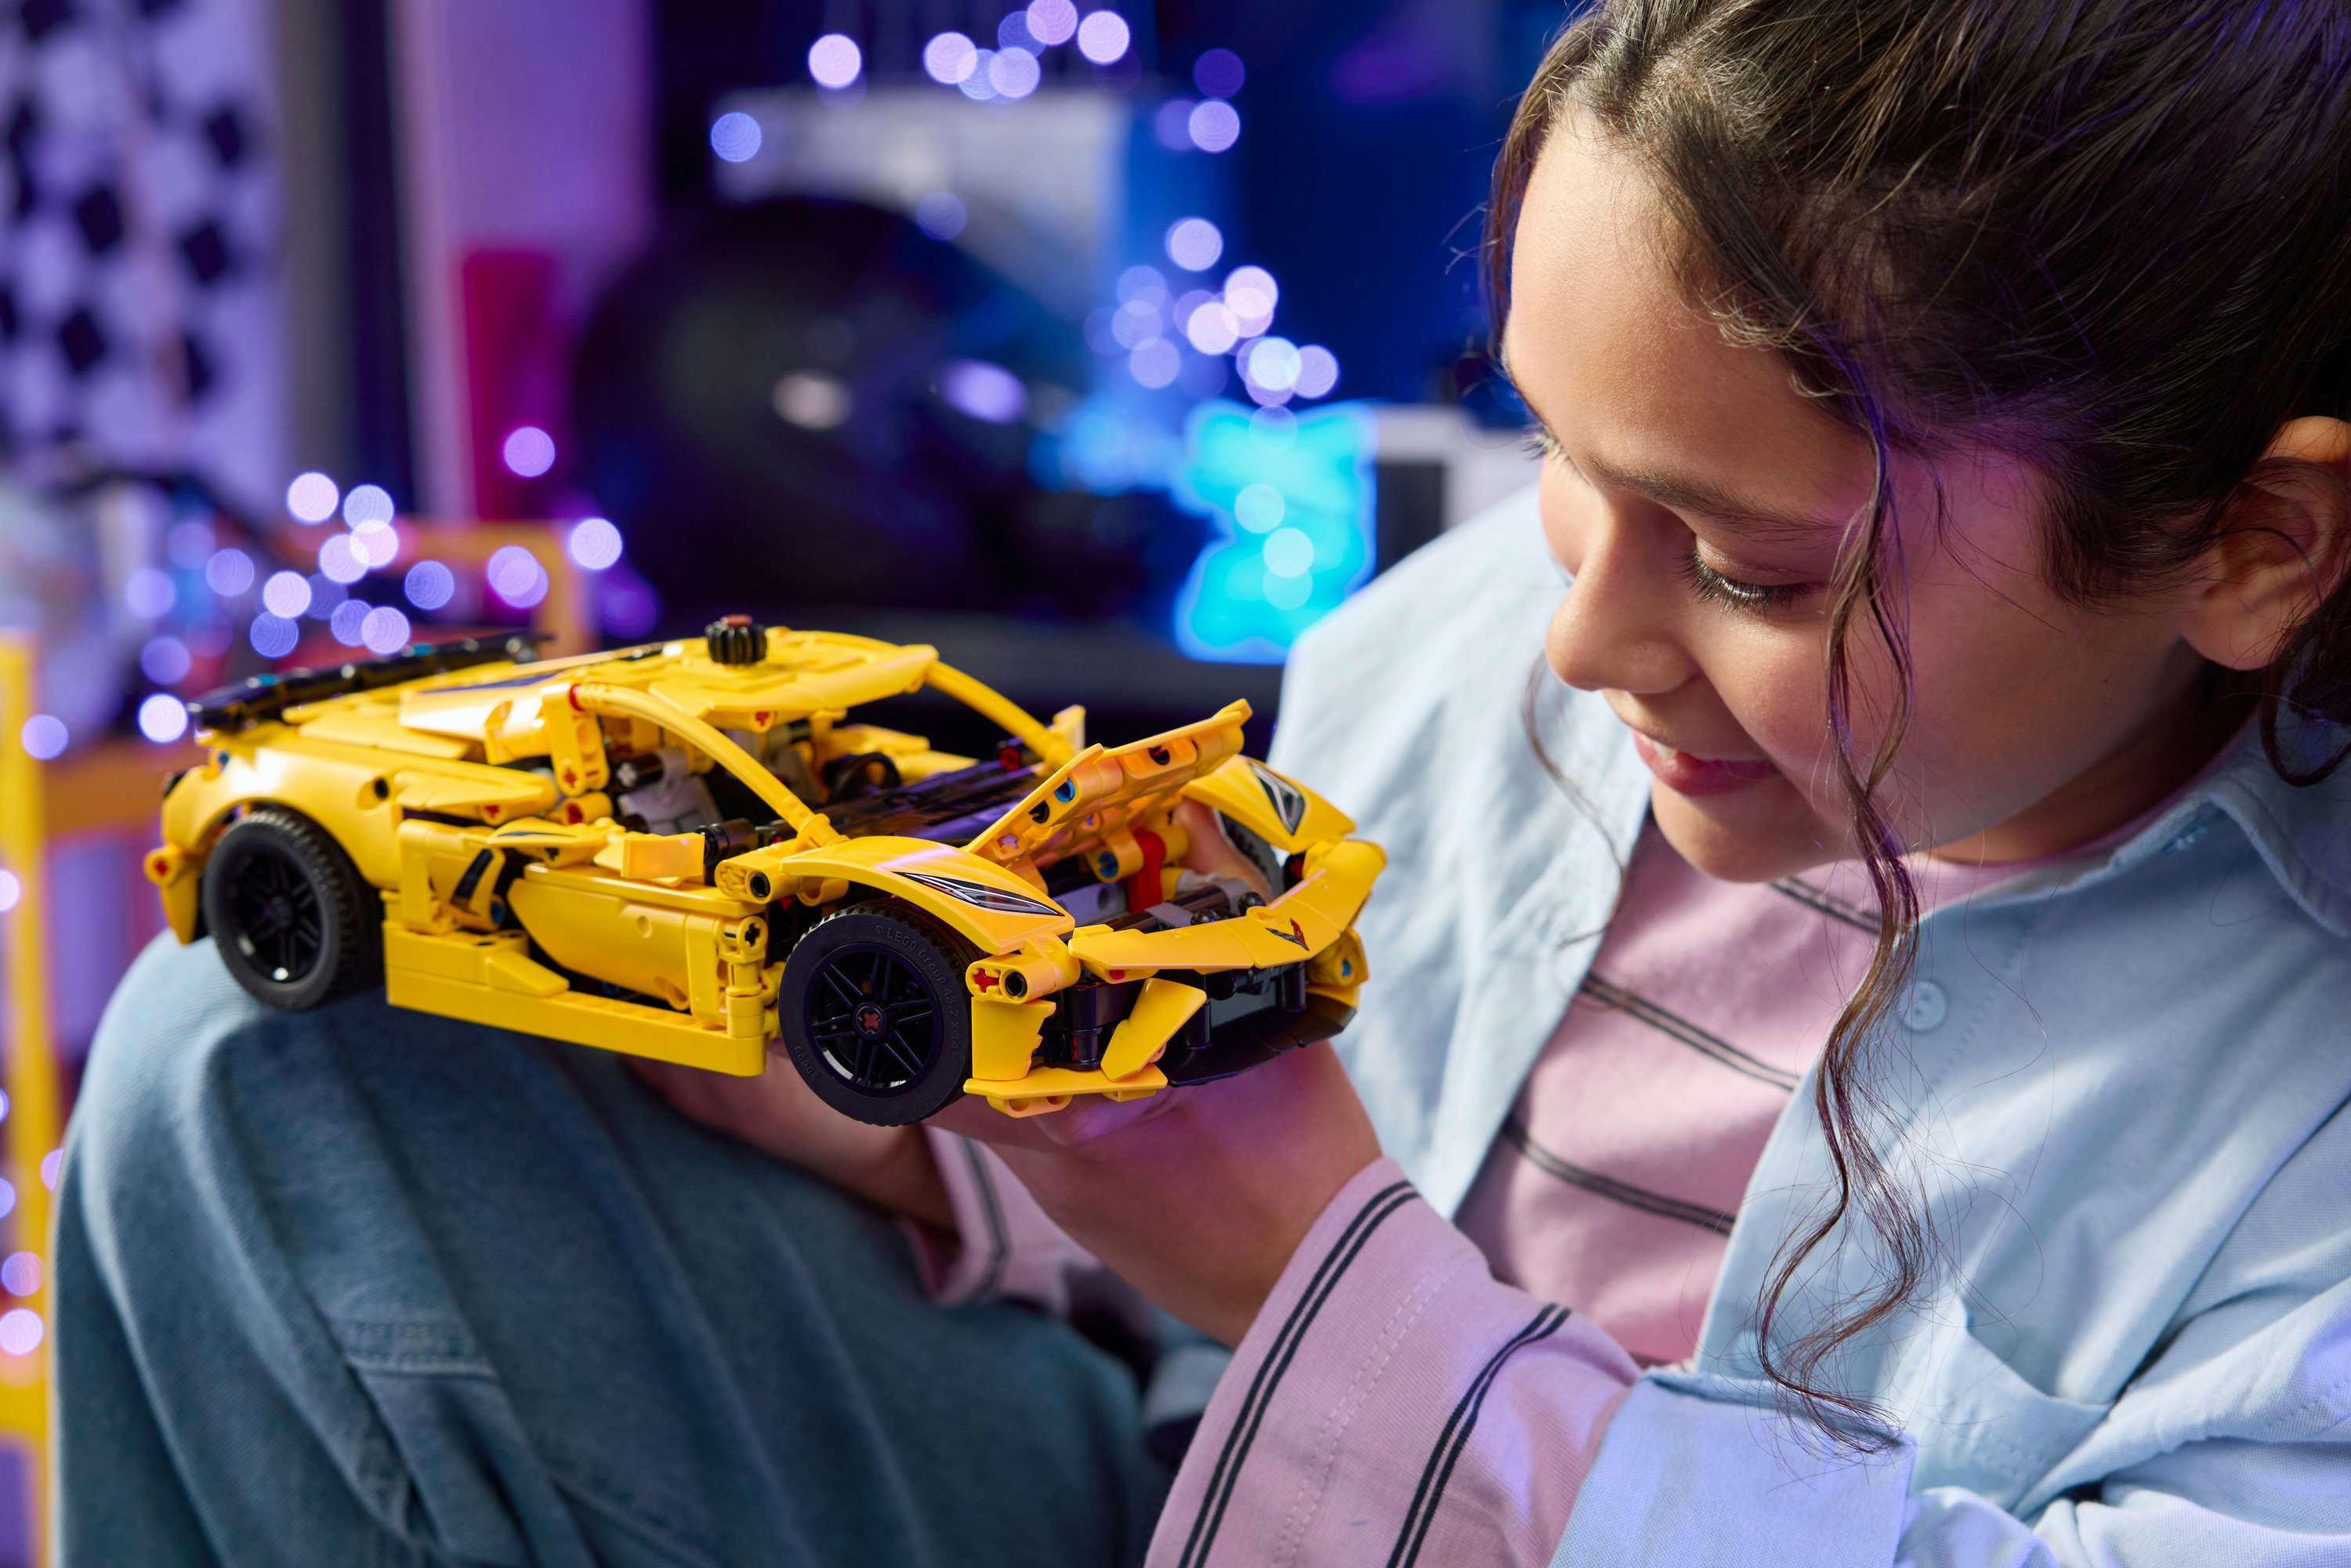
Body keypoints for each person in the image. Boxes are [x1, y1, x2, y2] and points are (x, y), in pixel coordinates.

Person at [57, 0, 2351, 1563]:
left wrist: (1326, 1287)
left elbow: (1310, 1265)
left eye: (1753, 564)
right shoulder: (1465, 653)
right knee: (263, 1053)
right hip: (1181, 1485)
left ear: (2252, 544)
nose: (1577, 640)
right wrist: (952, 1147)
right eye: (1556, 456)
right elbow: (1207, 1217)